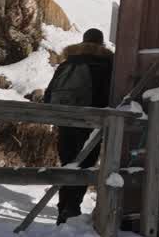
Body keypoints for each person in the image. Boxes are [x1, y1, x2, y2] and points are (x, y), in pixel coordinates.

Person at [43, 28, 113, 224]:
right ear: (102, 44)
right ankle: (72, 208)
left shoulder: (67, 63)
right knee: (85, 165)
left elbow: (49, 95)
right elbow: (110, 95)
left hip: (65, 121)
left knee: (68, 162)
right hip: (92, 122)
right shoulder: (107, 64)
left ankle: (63, 208)